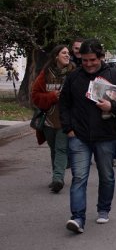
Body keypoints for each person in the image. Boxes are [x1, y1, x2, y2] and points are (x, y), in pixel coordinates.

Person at [60, 38, 116, 234]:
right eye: (84, 60)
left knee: (107, 176)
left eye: (92, 59)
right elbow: (64, 105)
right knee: (79, 177)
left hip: (106, 135)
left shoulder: (115, 76)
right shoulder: (74, 77)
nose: (88, 64)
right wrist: (68, 129)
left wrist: (113, 106)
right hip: (79, 135)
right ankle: (77, 217)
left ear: (101, 57)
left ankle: (103, 209)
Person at [31, 44, 76, 193]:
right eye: (64, 53)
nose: (67, 55)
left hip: (66, 119)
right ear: (56, 55)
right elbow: (35, 95)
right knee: (54, 149)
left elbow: (80, 94)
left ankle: (58, 179)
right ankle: (56, 177)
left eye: (68, 53)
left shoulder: (74, 72)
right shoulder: (46, 73)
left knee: (61, 148)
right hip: (49, 119)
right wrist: (51, 96)